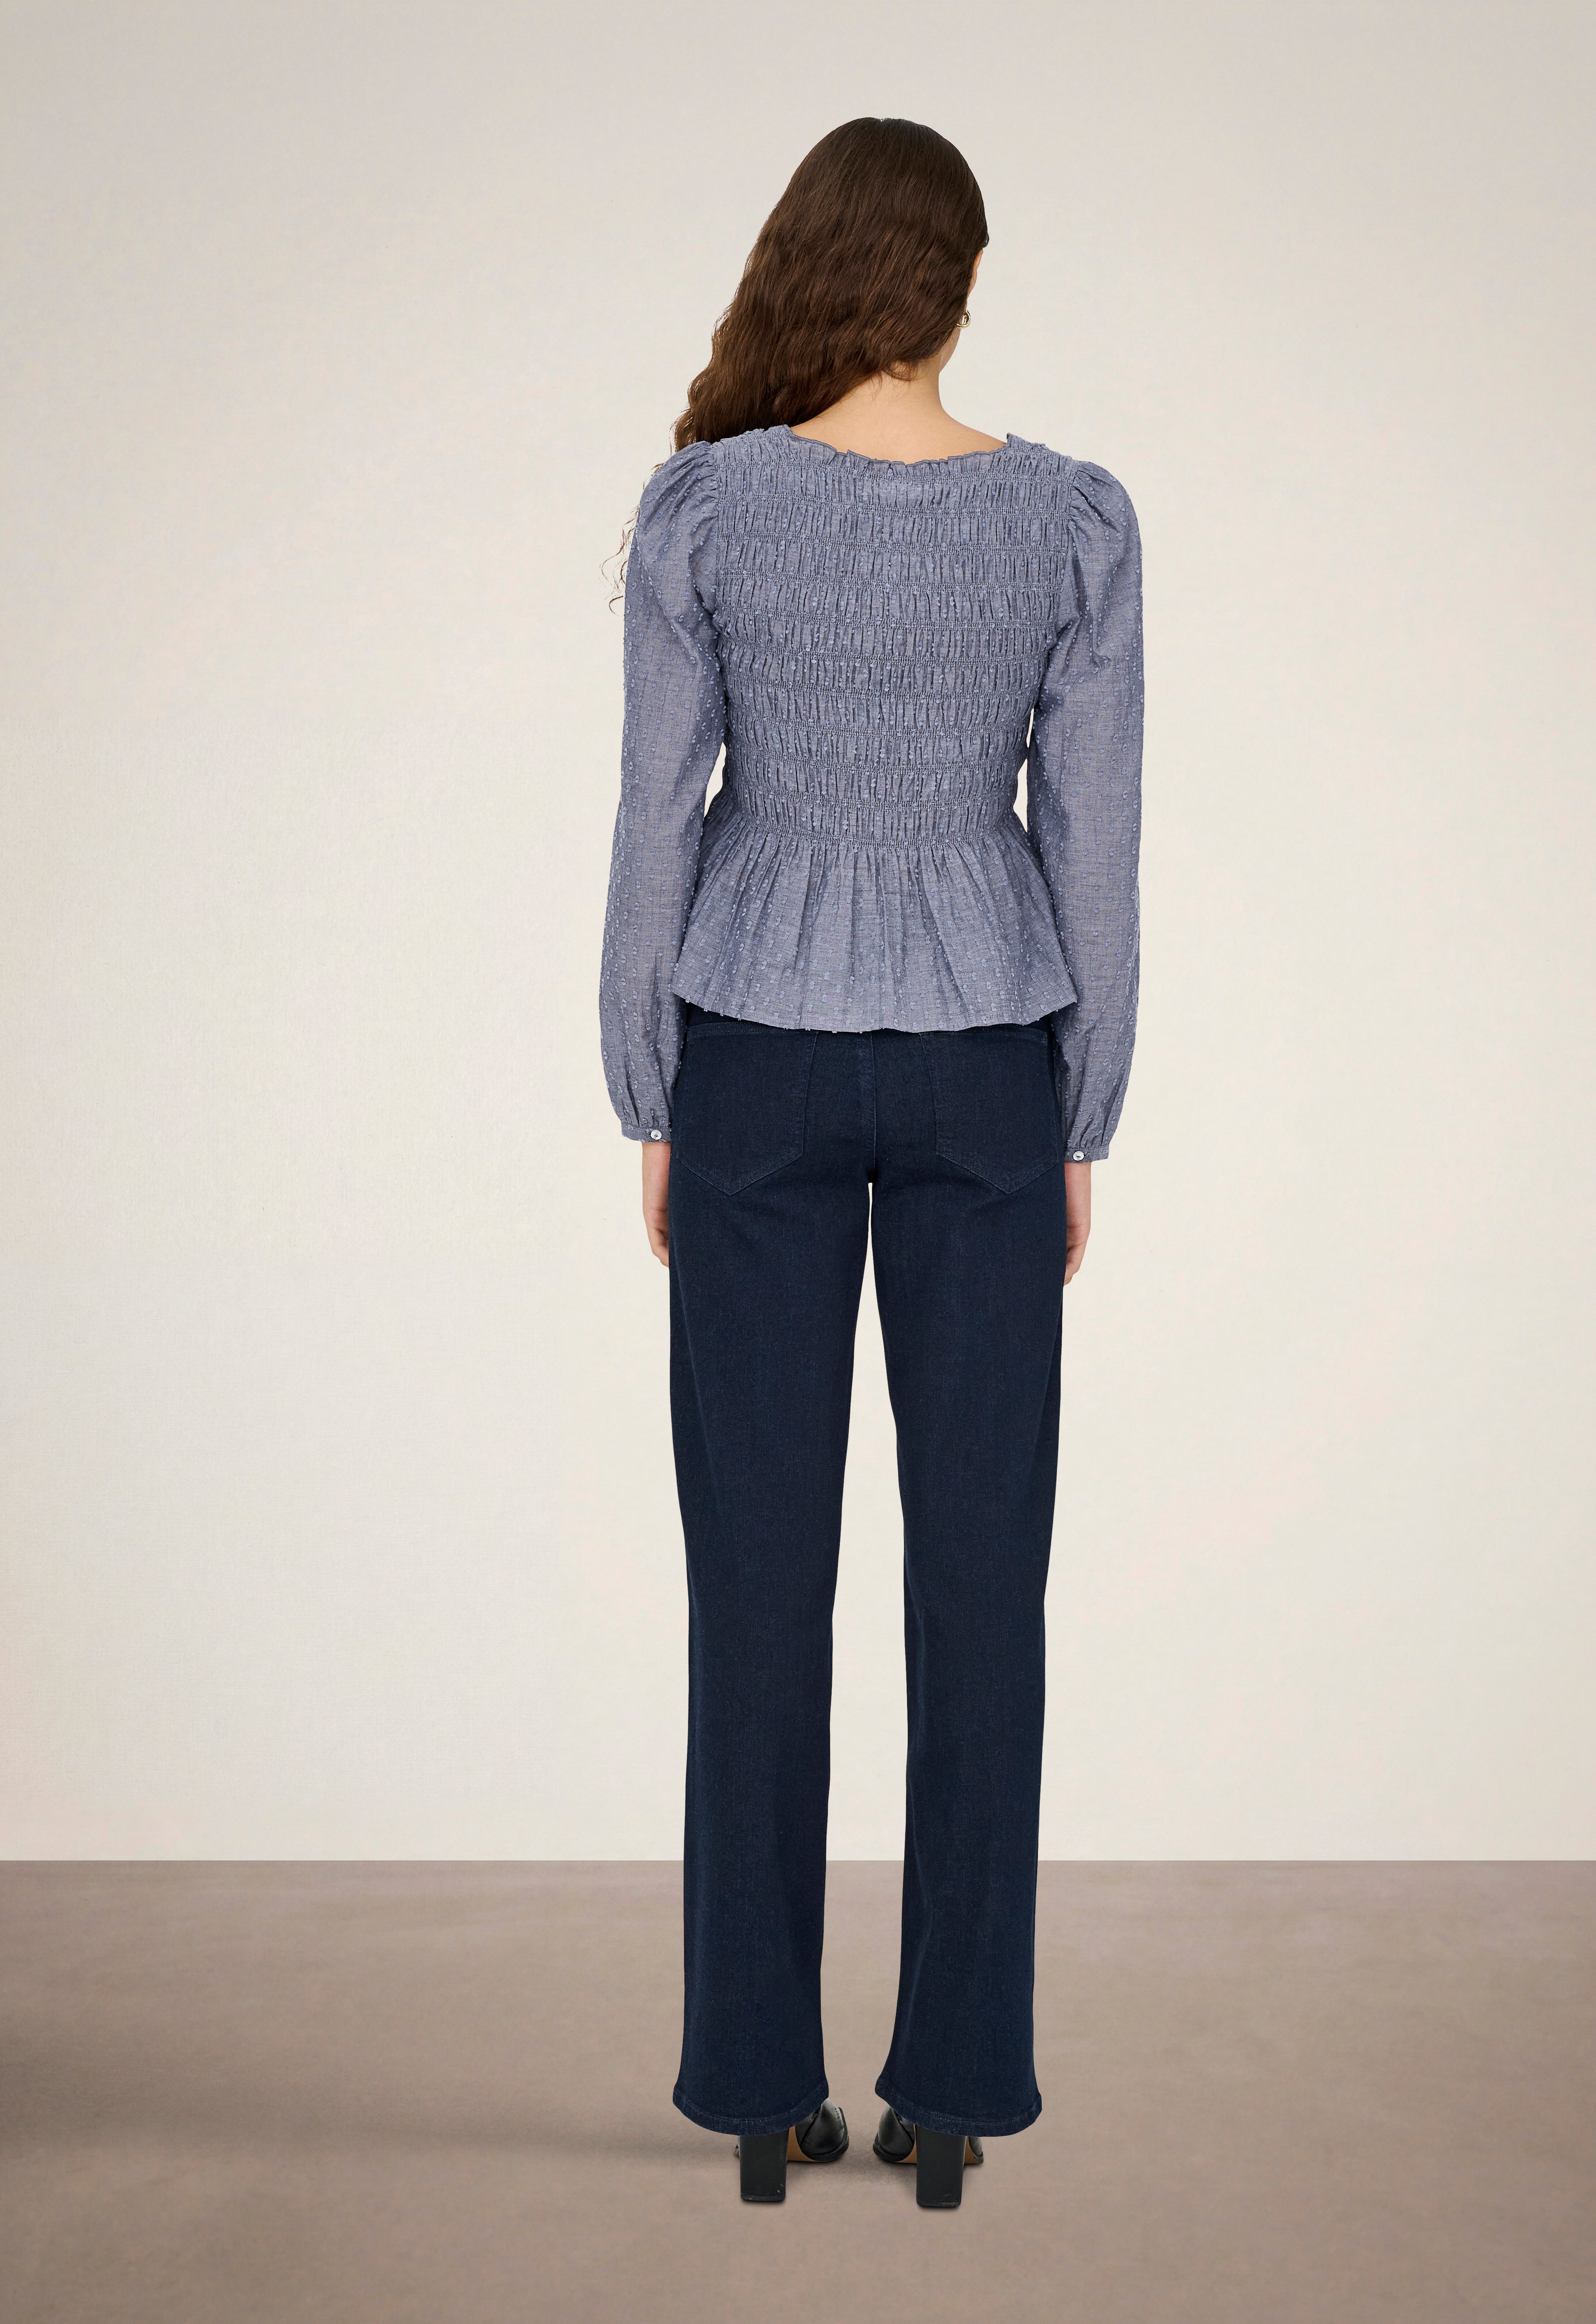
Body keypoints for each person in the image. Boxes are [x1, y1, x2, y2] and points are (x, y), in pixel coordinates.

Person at [599, 115, 1143, 2210]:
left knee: (754, 1581)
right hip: (989, 1060)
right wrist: (1080, 1112)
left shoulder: (708, 507)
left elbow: (658, 812)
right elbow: (1091, 836)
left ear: (808, 267)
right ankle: (955, 2090)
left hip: (750, 1054)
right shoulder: (1070, 520)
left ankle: (757, 2083)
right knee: (981, 1586)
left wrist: (651, 1088)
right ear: (962, 285)